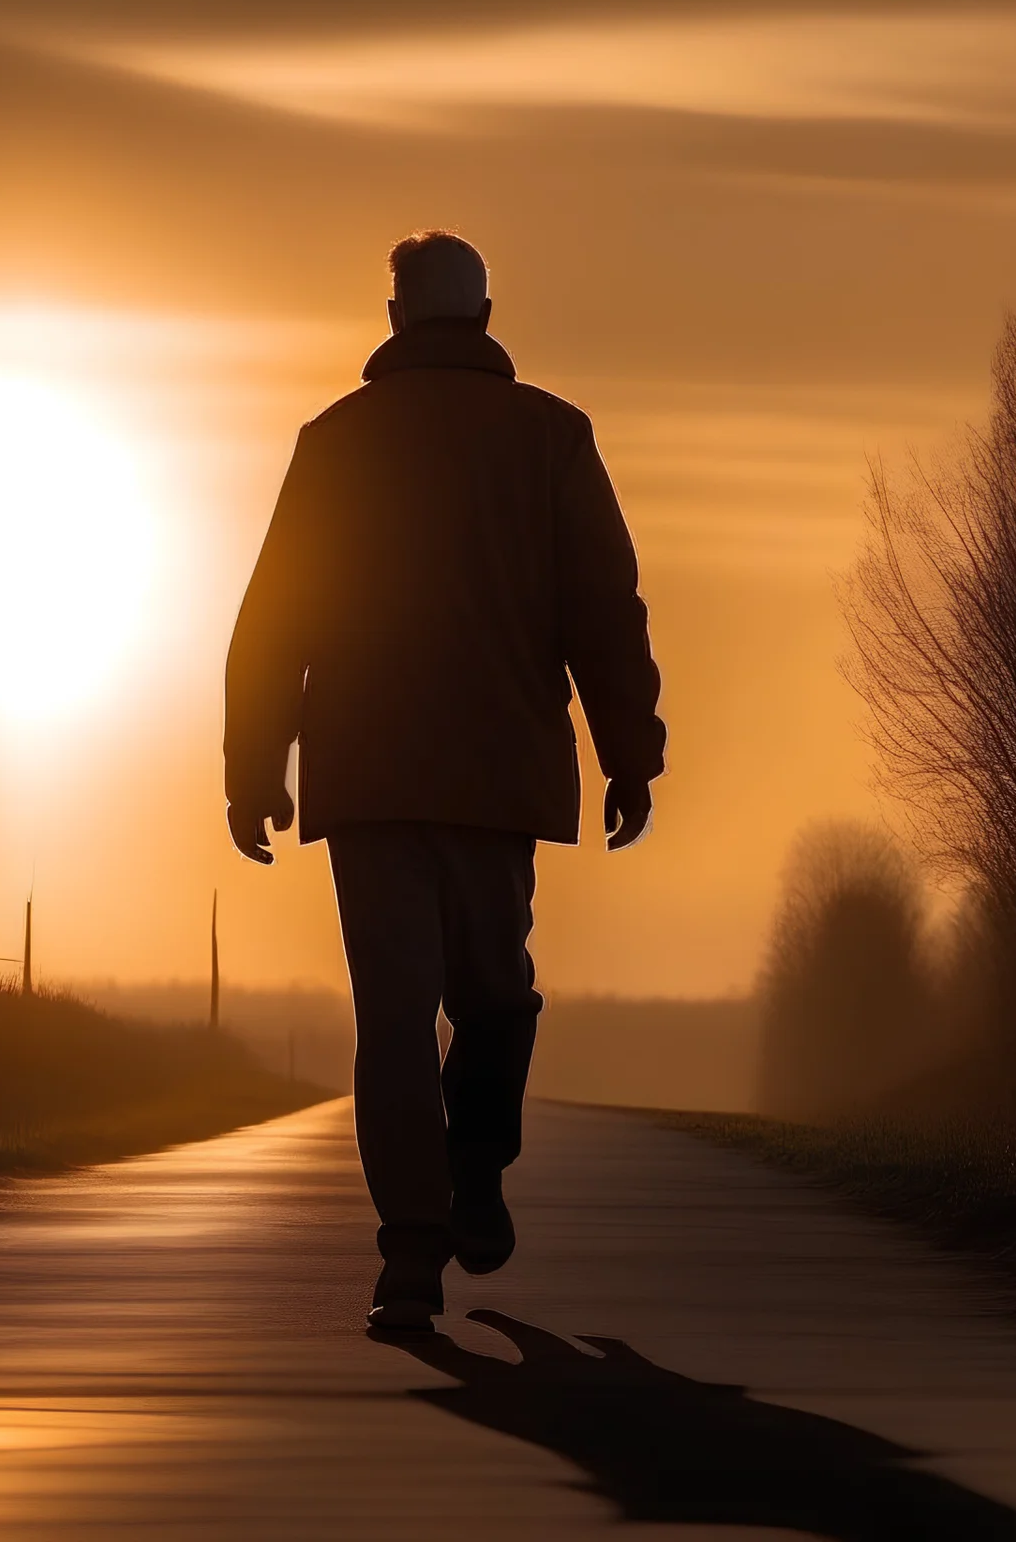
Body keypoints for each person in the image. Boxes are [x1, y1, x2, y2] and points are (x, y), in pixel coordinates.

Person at [224, 230, 664, 1333]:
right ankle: (472, 1177)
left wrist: (253, 768)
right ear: (484, 315)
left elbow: (274, 617)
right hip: (496, 769)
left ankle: (414, 1251)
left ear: (393, 320)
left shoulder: (336, 443)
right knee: (495, 993)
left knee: (394, 1020)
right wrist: (629, 754)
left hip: (369, 776)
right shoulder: (552, 440)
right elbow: (603, 610)